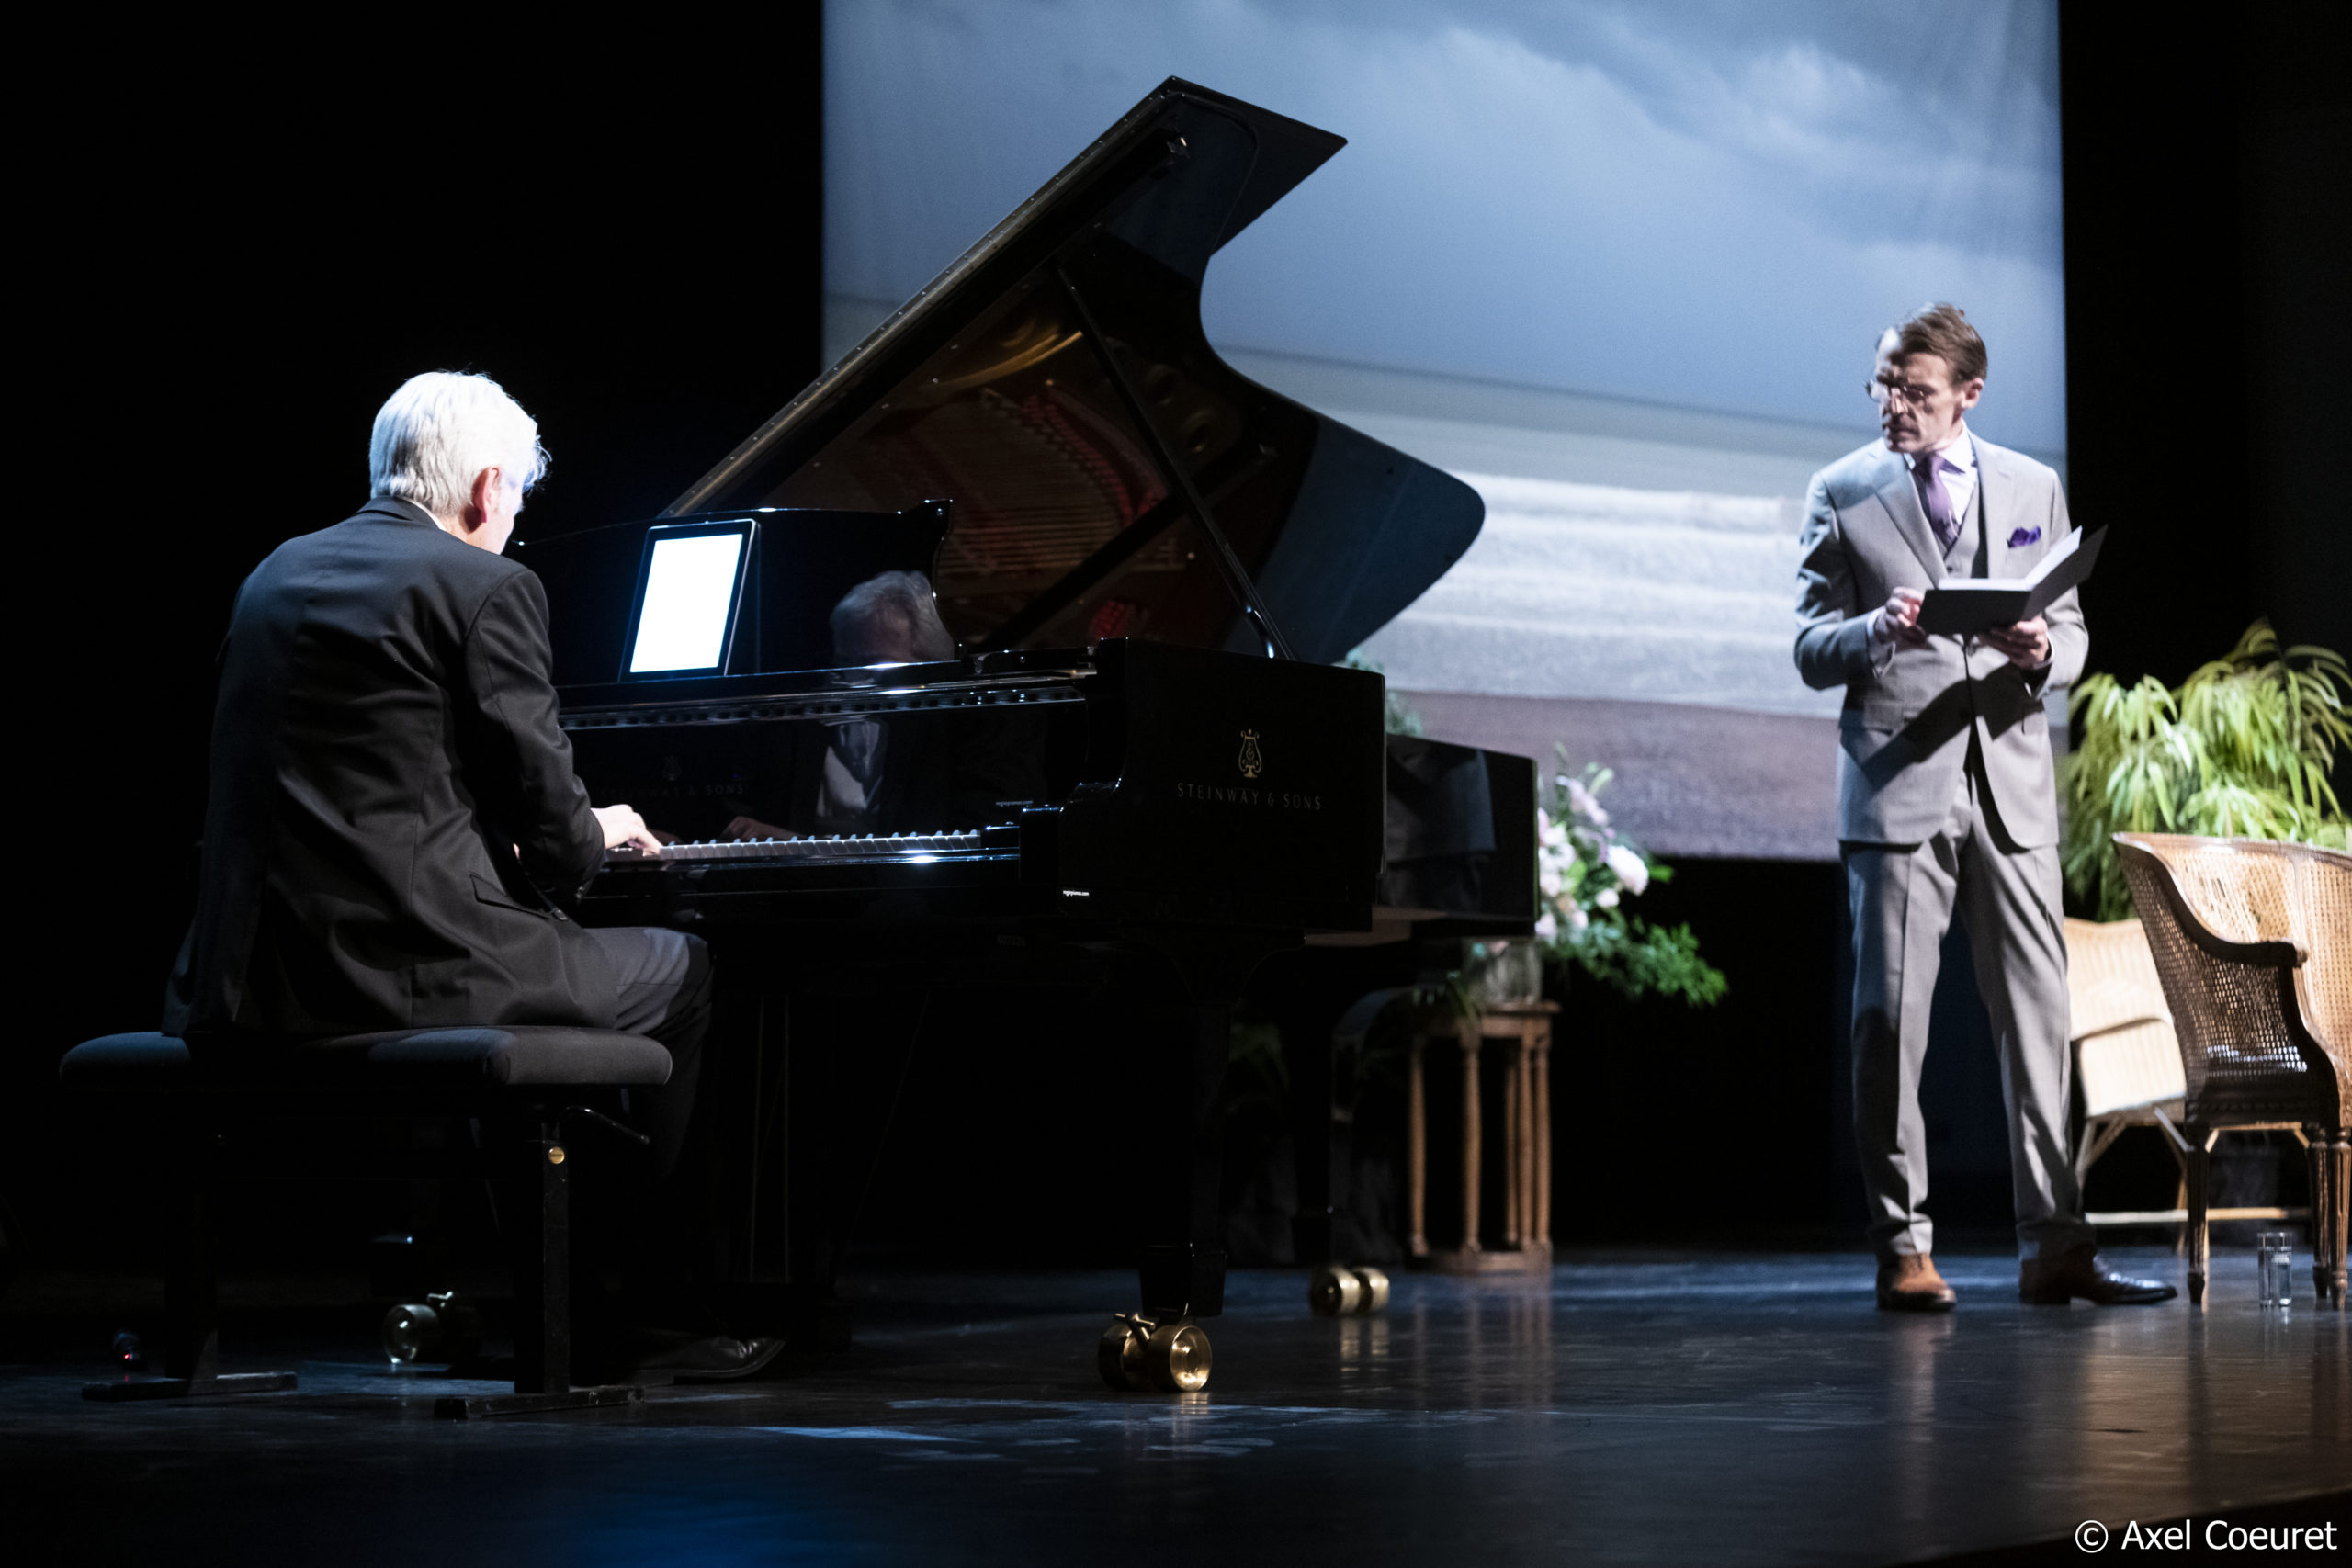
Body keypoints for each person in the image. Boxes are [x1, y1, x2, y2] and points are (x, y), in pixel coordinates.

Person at [165, 370, 781, 1374]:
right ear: (490, 487)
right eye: (520, 500)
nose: (515, 521)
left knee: (538, 988)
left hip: (254, 978)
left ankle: (568, 1293)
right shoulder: (484, 586)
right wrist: (598, 826)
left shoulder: (274, 573)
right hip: (410, 970)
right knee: (685, 969)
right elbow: (561, 842)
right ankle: (643, 1299)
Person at [1794, 305, 2172, 1311]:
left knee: (2039, 1022)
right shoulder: (1841, 490)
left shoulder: (2031, 485)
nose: (1893, 404)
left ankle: (2055, 1246)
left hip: (2010, 784)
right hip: (1897, 787)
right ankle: (1903, 1247)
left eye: (1914, 390)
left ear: (1968, 394)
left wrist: (2044, 651)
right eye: (1883, 384)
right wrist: (1874, 631)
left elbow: (2072, 632)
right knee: (1888, 1026)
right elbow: (1807, 647)